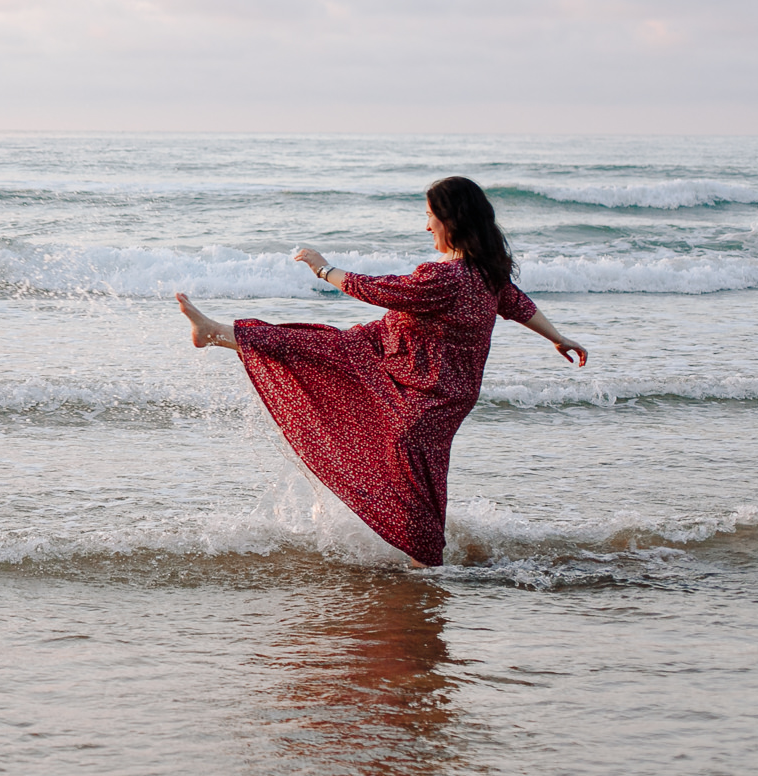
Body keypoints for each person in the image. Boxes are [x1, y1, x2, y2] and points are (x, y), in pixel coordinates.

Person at [175, 176, 586, 567]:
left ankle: (426, 566)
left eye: (430, 217)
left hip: (419, 388)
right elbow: (518, 303)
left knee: (413, 477)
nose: (427, 227)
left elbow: (378, 290)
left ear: (451, 221)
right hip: (415, 373)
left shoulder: (445, 277)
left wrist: (322, 268)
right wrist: (558, 337)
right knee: (320, 347)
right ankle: (216, 334)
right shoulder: (487, 272)